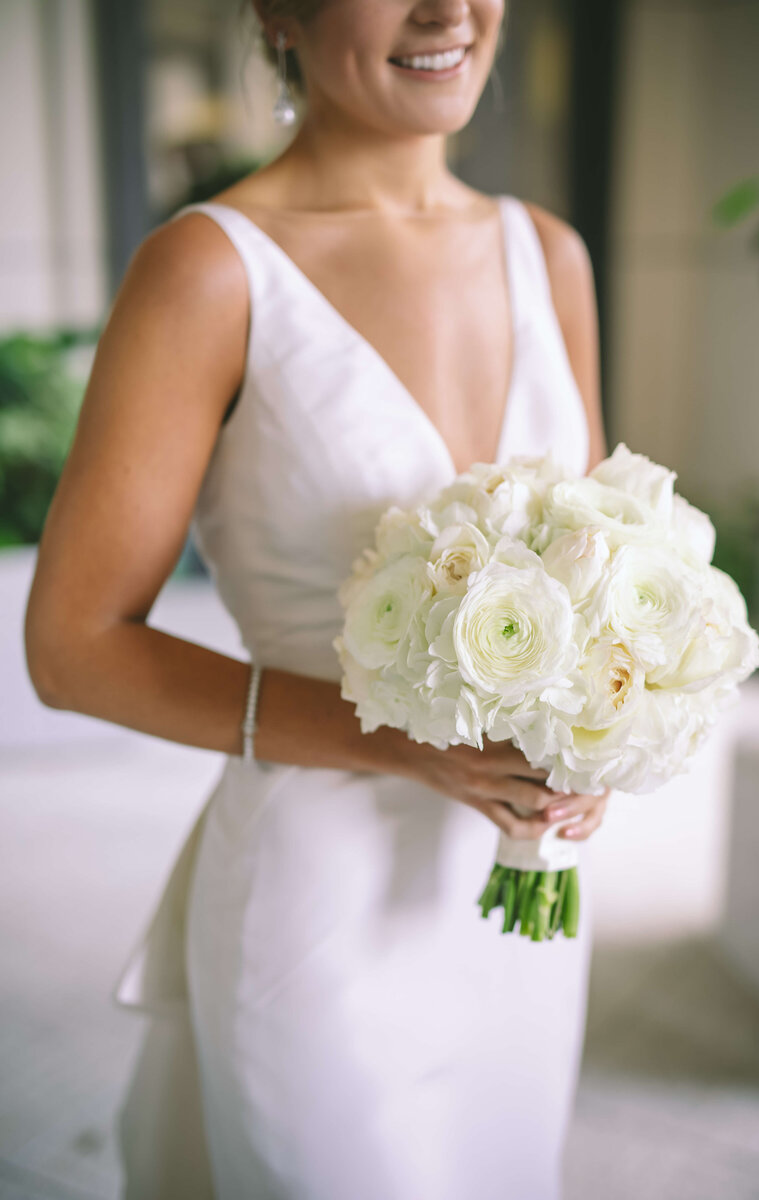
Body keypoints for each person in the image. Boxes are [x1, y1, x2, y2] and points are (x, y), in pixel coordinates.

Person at [24, 0, 611, 1196]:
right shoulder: (206, 268)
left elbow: (594, 577)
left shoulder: (548, 252)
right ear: (279, 12)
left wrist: (603, 725)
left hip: (517, 898)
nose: (447, 11)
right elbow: (72, 648)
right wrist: (402, 745)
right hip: (319, 909)